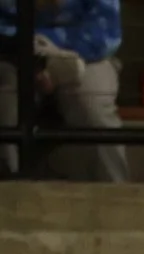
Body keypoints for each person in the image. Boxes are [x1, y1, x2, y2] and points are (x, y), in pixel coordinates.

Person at [0, 0, 127, 182]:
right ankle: (9, 192)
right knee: (6, 104)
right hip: (12, 53)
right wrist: (32, 49)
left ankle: (115, 194)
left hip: (86, 51)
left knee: (91, 104)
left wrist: (61, 55)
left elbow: (107, 28)